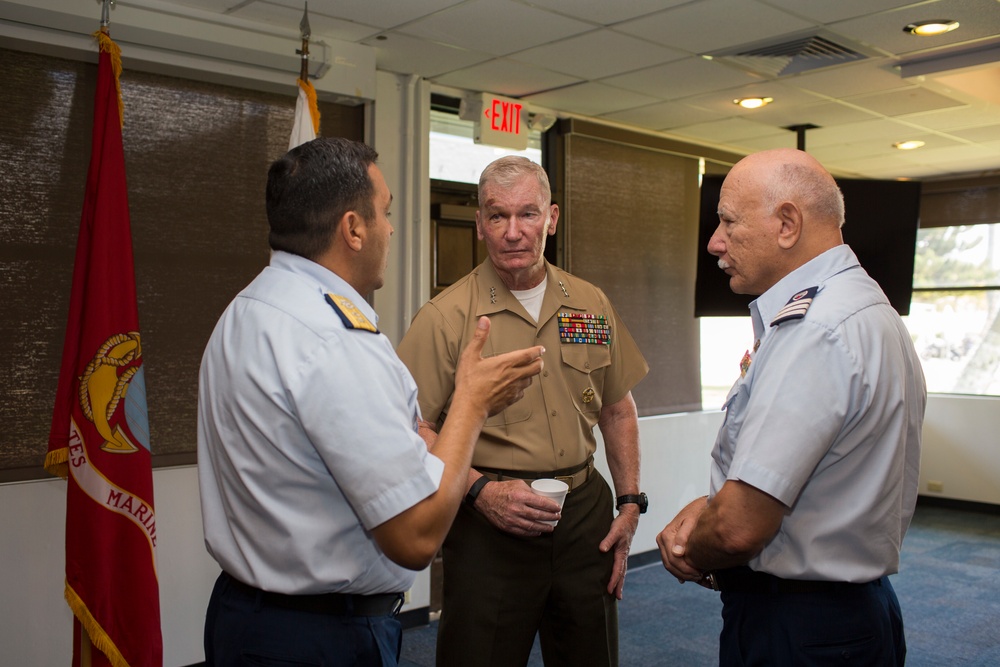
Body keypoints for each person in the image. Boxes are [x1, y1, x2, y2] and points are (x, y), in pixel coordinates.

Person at [197, 138, 545, 667]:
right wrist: (471, 404)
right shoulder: (333, 340)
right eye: (384, 212)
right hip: (316, 637)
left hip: (249, 616)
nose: (389, 228)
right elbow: (416, 536)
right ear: (353, 229)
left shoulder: (250, 307)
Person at [657, 148, 926, 666]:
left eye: (728, 222)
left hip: (803, 626)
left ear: (787, 223)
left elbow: (740, 529)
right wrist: (713, 511)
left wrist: (693, 549)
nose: (715, 243)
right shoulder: (868, 308)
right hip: (852, 612)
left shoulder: (817, 332)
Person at [396, 156, 649, 667]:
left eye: (527, 214)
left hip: (583, 521)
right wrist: (479, 491)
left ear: (551, 218)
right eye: (497, 216)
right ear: (480, 225)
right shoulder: (446, 317)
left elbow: (617, 407)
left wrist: (628, 503)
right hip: (490, 521)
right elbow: (412, 429)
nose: (513, 232)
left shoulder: (589, 303)